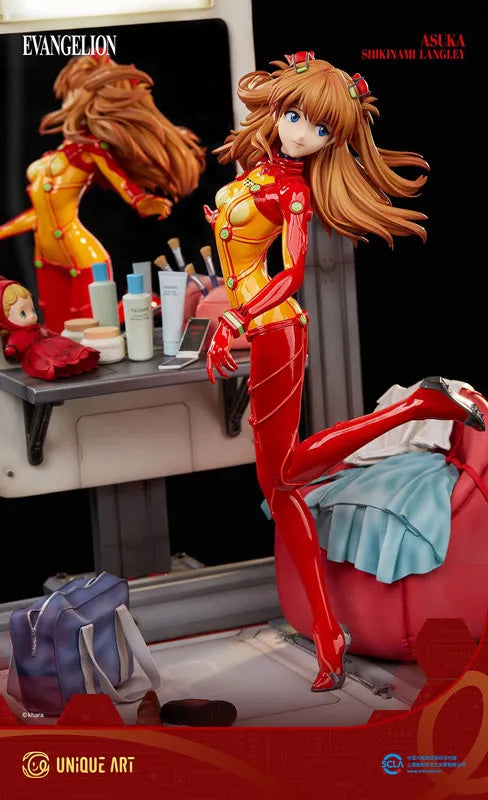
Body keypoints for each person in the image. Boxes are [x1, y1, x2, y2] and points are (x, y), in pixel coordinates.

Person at [204, 52, 485, 692]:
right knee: (284, 492)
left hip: (276, 328)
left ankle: (418, 407)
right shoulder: (257, 169)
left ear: (333, 141)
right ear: (279, 108)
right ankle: (329, 633)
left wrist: (235, 317)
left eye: (321, 129)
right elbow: (239, 250)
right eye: (295, 117)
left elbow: (290, 275)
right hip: (257, 323)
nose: (302, 134)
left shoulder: (292, 191)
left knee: (283, 475)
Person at [0, 54, 206, 332]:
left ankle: (143, 304)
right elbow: (40, 215)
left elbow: (122, 183)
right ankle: (140, 303)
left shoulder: (92, 150)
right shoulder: (58, 153)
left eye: (76, 91)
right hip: (46, 258)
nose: (68, 100)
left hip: (82, 258)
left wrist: (142, 201)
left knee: (91, 330)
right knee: (56, 332)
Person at [0, 277, 99, 380]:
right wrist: (12, 348)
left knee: (66, 349)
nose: (32, 316)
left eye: (32, 310)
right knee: (48, 359)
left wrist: (54, 335)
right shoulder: (20, 335)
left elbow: (47, 333)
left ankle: (76, 361)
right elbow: (16, 343)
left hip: (48, 343)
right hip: (37, 353)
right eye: (23, 314)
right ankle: (60, 367)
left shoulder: (36, 328)